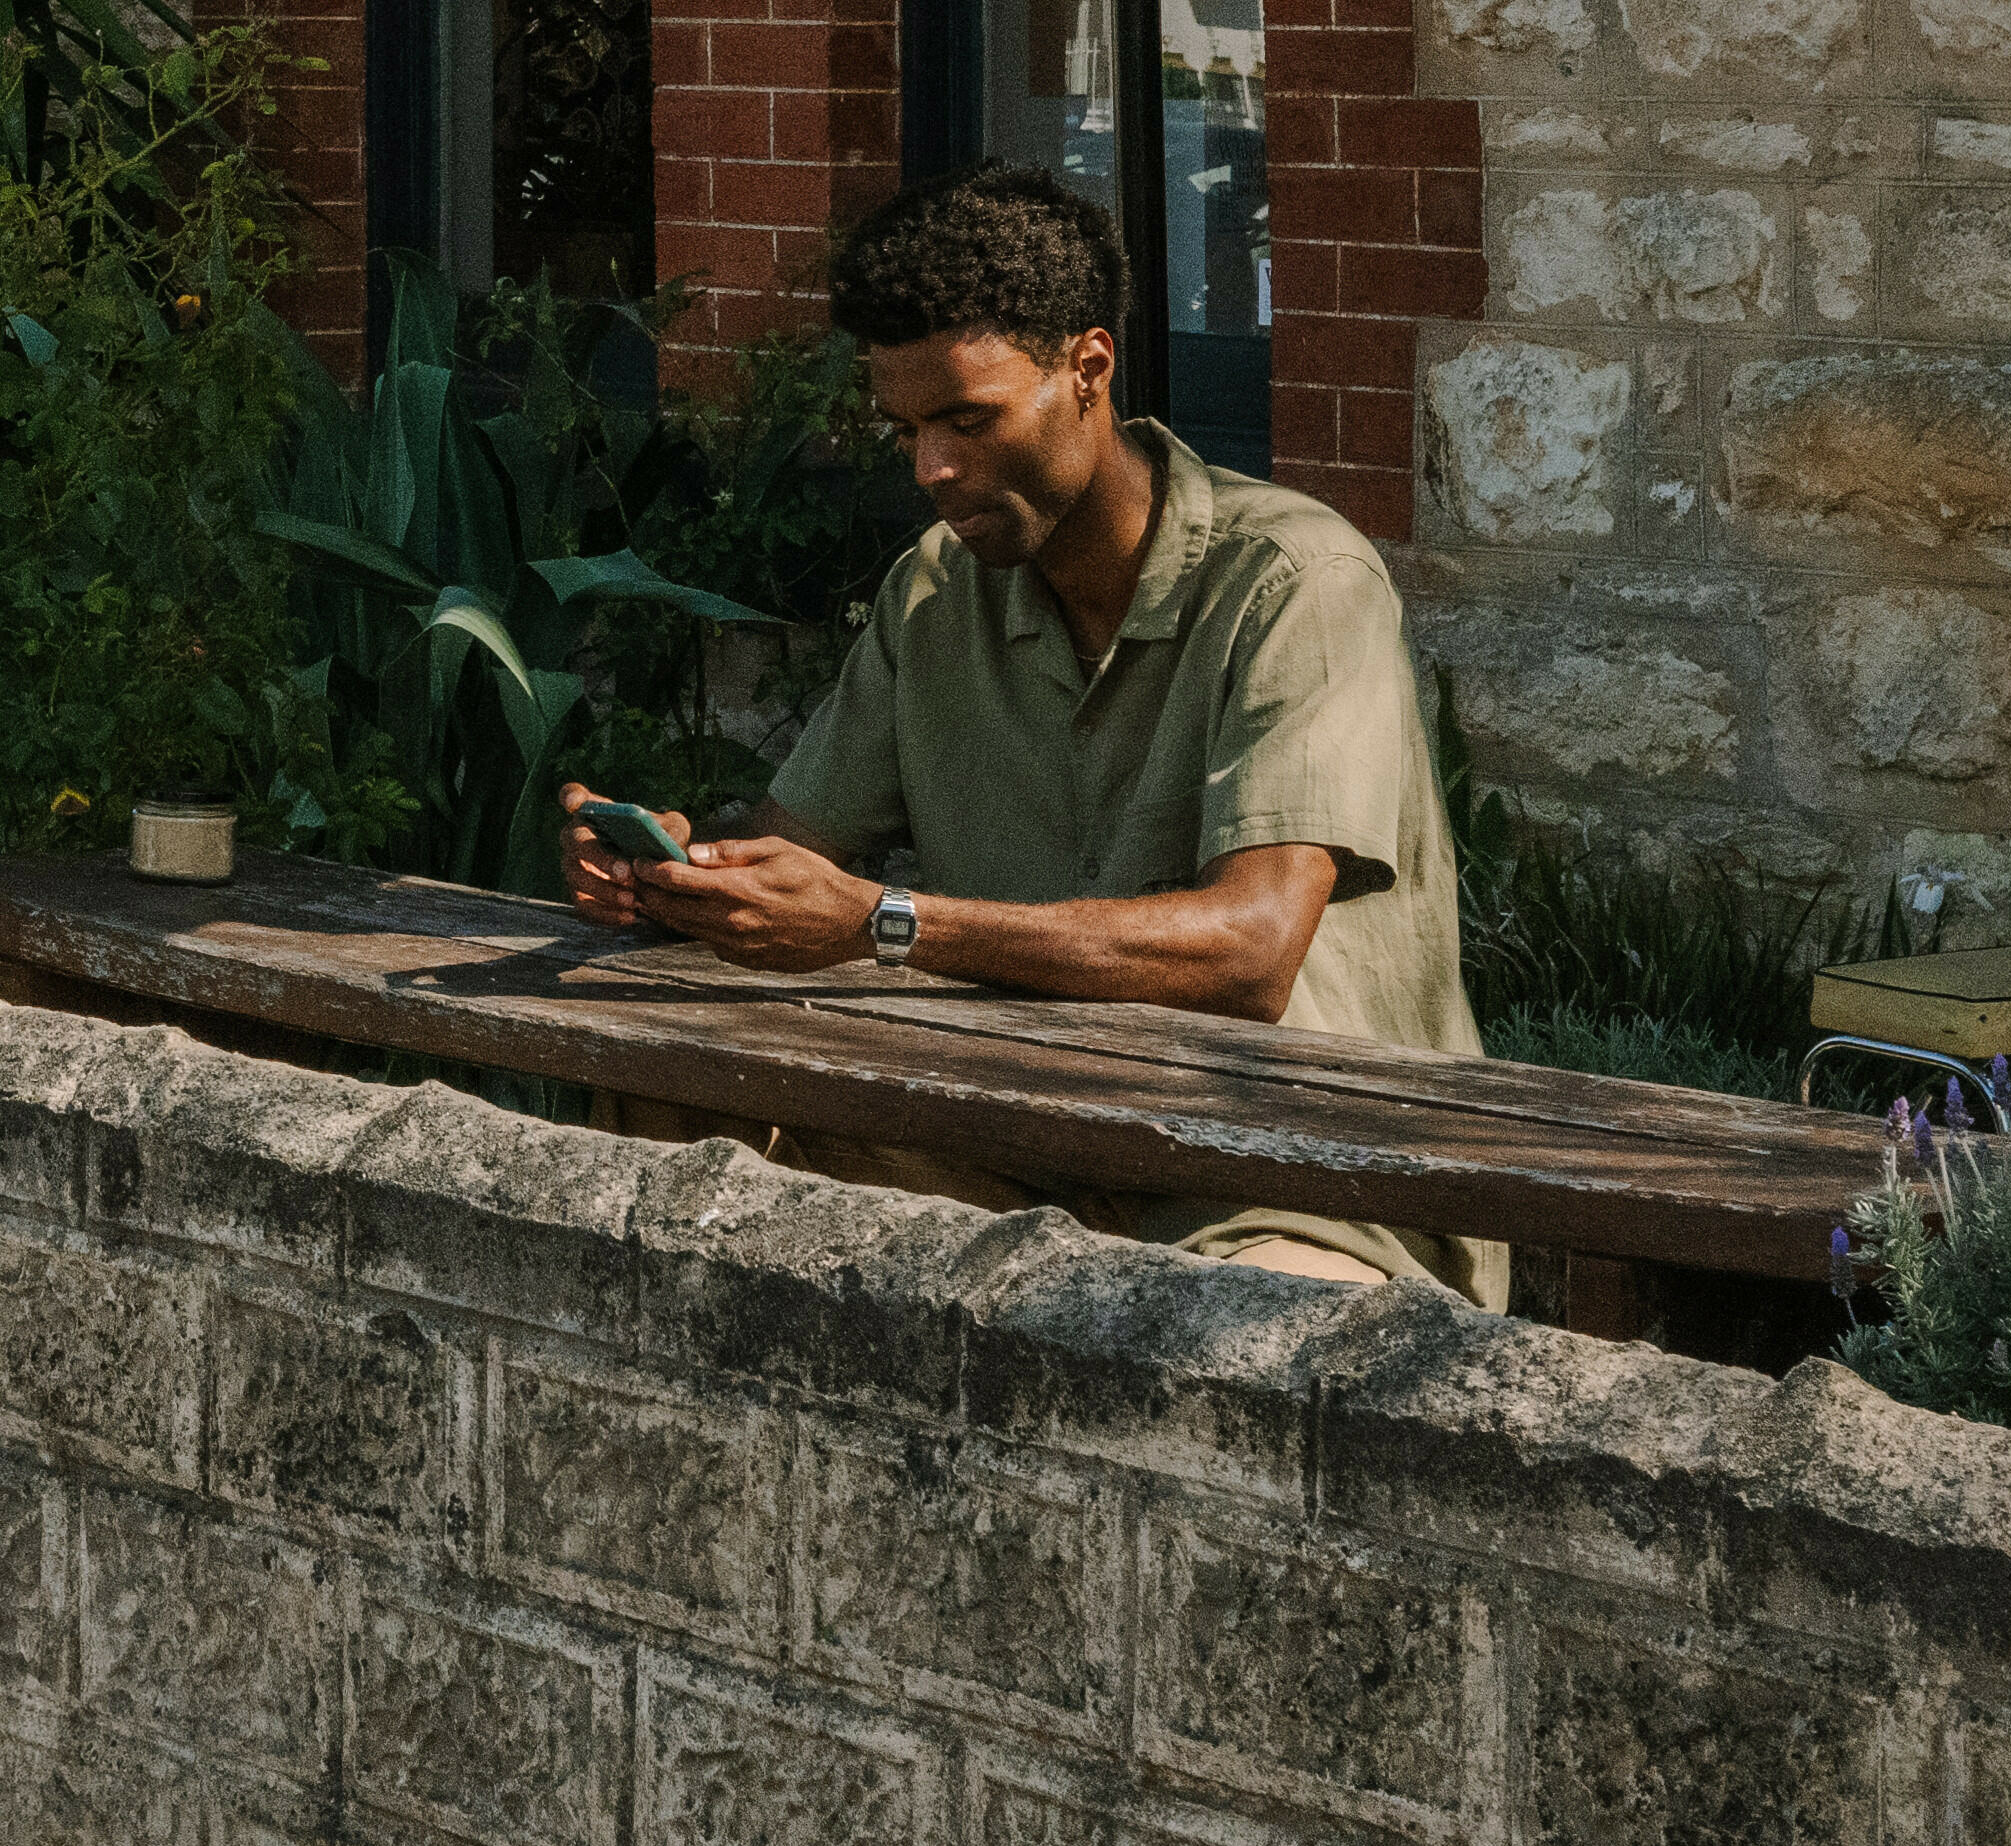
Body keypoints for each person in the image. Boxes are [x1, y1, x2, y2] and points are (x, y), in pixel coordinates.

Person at [567, 161, 1500, 1307]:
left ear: (1087, 369)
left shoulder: (1297, 581)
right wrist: (679, 873)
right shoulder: (931, 591)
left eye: (967, 419)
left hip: (1294, 1177)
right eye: (904, 428)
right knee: (668, 1149)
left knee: (1235, 1342)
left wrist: (884, 920)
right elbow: (784, 850)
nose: (930, 470)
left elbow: (1249, 951)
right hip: (1014, 1141)